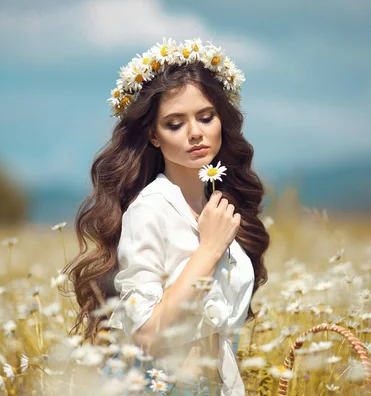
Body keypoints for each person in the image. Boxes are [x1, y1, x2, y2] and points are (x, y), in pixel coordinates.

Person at [64, 38, 270, 395]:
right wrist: (208, 251)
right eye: (175, 124)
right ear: (153, 136)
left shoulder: (219, 206)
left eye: (206, 117)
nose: (195, 133)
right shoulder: (150, 210)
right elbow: (146, 334)